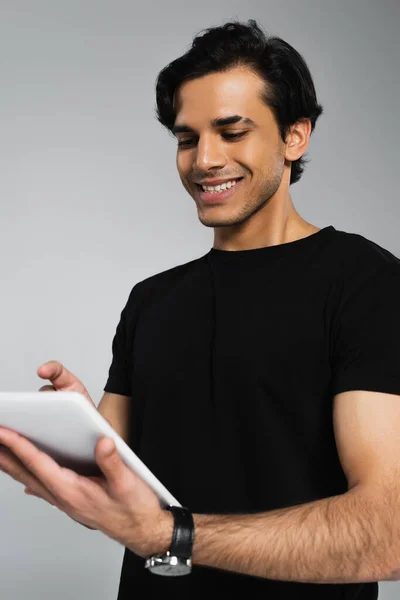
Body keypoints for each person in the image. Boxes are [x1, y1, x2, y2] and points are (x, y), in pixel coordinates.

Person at [15, 18, 400, 599]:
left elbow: (388, 533)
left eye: (232, 132)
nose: (203, 161)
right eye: (187, 138)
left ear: (295, 137)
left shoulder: (367, 283)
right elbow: (118, 507)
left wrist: (175, 535)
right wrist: (80, 444)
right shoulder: (152, 300)